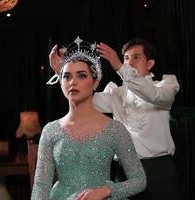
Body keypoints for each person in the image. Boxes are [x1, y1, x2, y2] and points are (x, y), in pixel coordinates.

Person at [49, 38, 181, 200]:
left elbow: (155, 95)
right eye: (126, 58)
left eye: (136, 57)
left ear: (150, 64)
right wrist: (62, 73)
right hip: (125, 172)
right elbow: (83, 97)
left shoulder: (165, 86)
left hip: (159, 169)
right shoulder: (116, 93)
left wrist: (119, 66)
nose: (129, 62)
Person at [31, 36, 146, 200]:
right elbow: (41, 186)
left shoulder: (115, 129)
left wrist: (106, 190)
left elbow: (139, 180)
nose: (73, 82)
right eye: (67, 76)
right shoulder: (51, 130)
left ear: (95, 82)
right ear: (61, 82)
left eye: (81, 76)